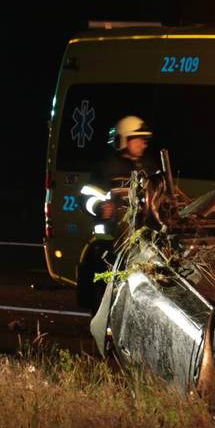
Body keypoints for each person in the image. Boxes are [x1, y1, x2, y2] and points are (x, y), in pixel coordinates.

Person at [77, 115, 153, 310]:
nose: (143, 144)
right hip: (108, 242)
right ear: (124, 140)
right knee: (106, 291)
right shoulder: (105, 168)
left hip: (139, 243)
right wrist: (100, 208)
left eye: (145, 140)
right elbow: (86, 197)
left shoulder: (148, 167)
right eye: (138, 139)